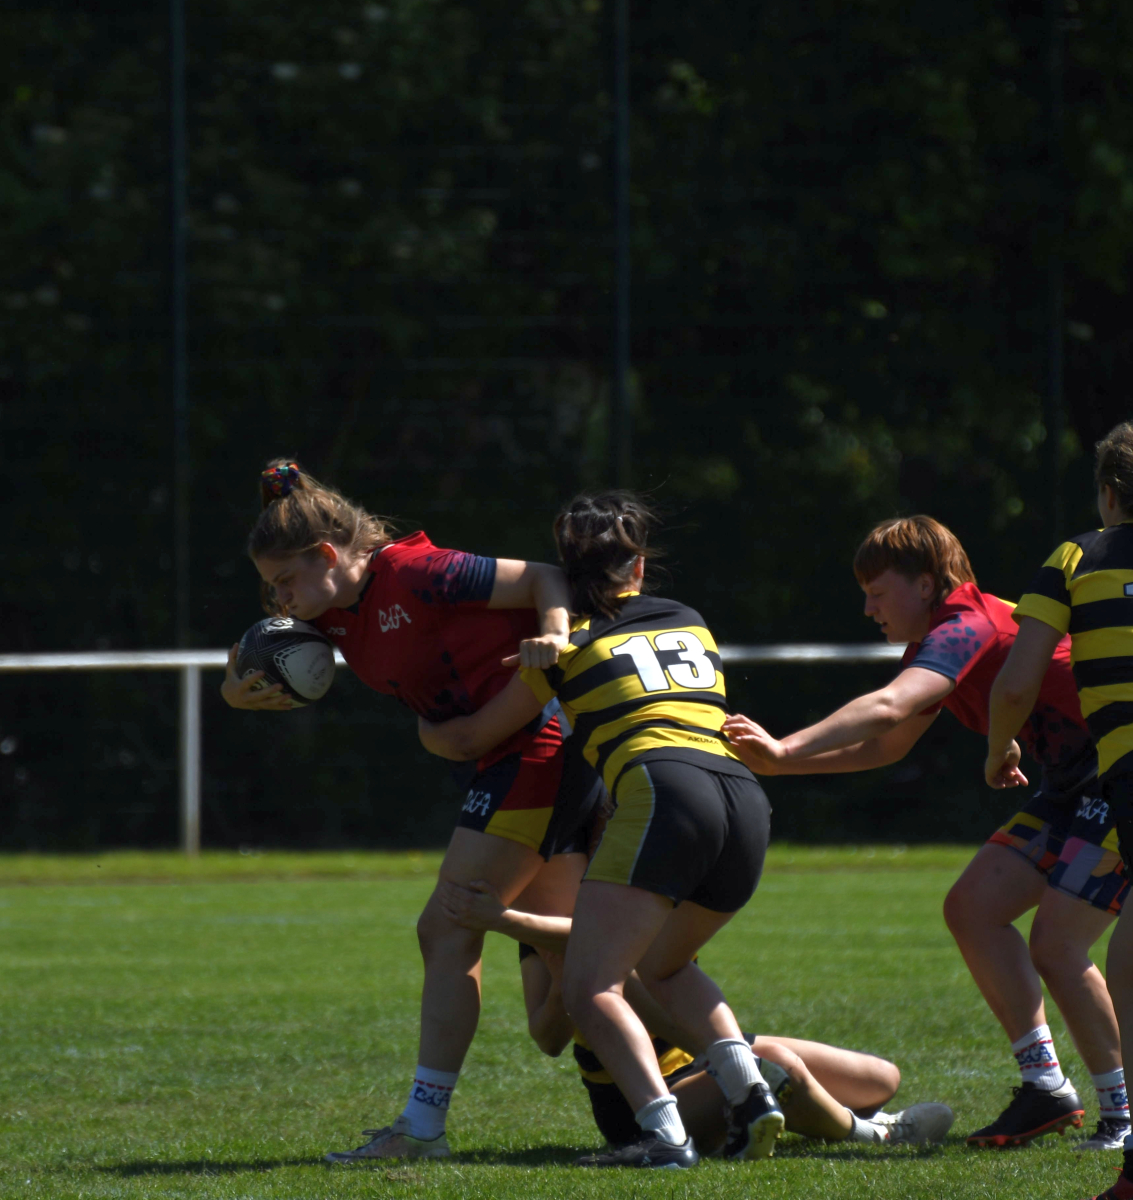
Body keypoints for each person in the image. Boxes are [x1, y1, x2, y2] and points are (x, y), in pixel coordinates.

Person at [221, 459, 601, 1162]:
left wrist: (554, 634)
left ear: (327, 555)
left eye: (285, 581)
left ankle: (422, 1128)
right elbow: (255, 656)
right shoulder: (329, 611)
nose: (279, 599)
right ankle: (736, 1066)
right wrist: (234, 690)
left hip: (540, 748)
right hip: (504, 760)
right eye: (270, 587)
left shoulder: (416, 572)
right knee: (556, 1010)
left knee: (446, 925)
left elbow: (547, 576)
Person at [721, 515, 1128, 1151]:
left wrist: (786, 746)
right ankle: (1046, 1086)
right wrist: (780, 764)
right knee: (973, 907)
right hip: (1073, 787)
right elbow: (887, 745)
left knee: (1056, 944)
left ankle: (1122, 1113)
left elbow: (888, 707)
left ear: (927, 584)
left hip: (1116, 779)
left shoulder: (969, 623)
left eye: (877, 592)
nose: (868, 609)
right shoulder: (942, 639)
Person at [419, 491, 781, 1169]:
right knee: (665, 964)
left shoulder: (562, 643)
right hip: (745, 798)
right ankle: (751, 1092)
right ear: (638, 566)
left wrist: (426, 725)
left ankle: (664, 1136)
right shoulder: (689, 618)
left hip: (664, 789)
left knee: (590, 987)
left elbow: (472, 736)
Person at [438, 869, 956, 1152]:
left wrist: (515, 924)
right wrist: (567, 979)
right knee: (776, 1066)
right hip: (644, 1098)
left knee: (881, 1078)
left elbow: (665, 1007)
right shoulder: (540, 926)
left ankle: (763, 1112)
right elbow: (547, 1038)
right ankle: (877, 1133)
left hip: (704, 1057)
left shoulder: (646, 892)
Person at [983, 422, 1133, 1200]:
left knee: (1122, 966)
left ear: (1108, 494)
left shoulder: (1077, 557)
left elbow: (1016, 683)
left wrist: (997, 750)